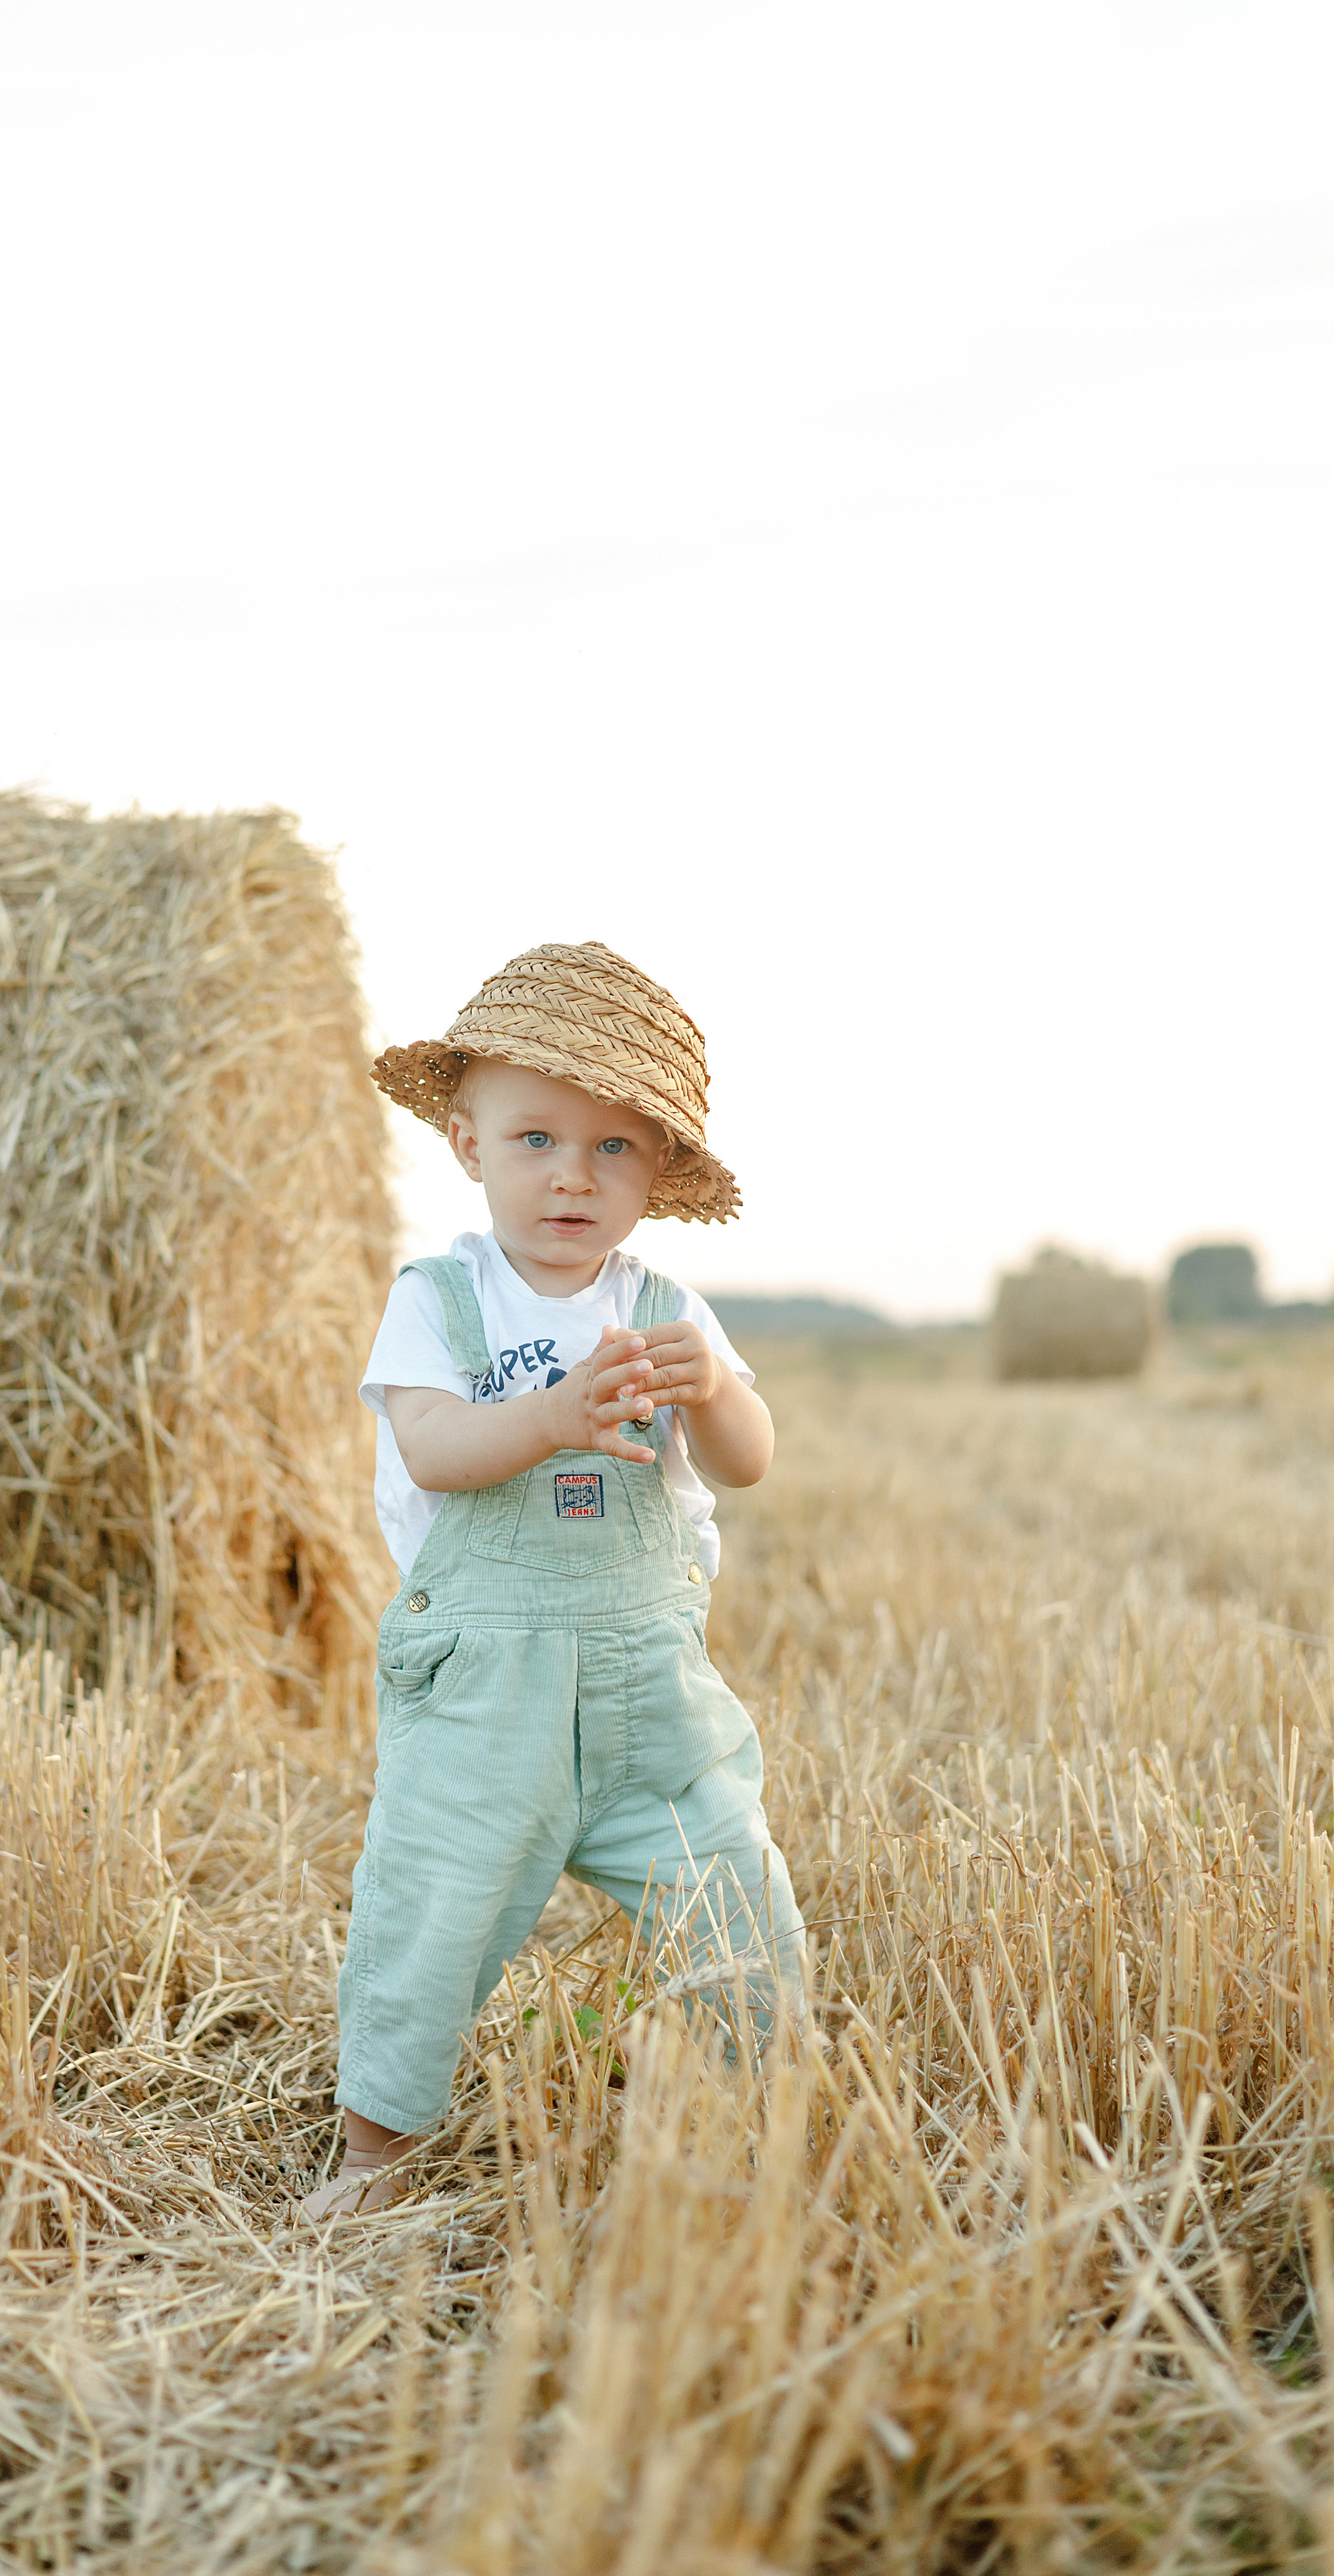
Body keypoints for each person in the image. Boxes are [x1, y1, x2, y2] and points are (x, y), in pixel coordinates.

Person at [304, 940, 805, 2218]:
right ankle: (374, 2155)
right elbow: (434, 1448)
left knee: (736, 1898)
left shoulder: (668, 1305)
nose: (571, 1174)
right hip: (487, 1693)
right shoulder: (439, 1300)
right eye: (536, 1139)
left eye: (612, 1147)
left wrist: (719, 1391)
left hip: (652, 1695)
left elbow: (745, 1464)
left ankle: (767, 2120)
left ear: (657, 1171)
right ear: (468, 1146)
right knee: (432, 1912)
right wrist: (553, 1415)